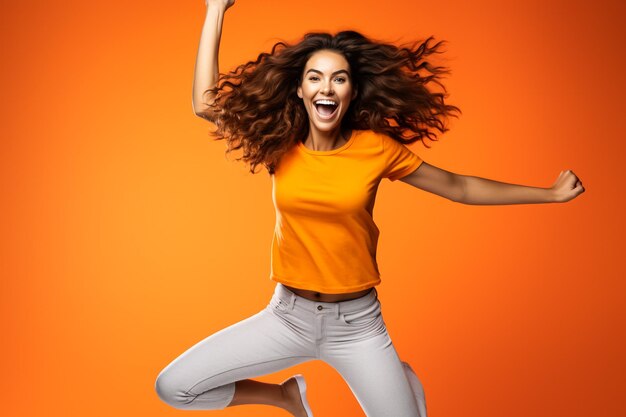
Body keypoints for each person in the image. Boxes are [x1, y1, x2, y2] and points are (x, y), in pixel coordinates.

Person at [154, 1, 586, 416]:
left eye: (339, 79)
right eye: (316, 78)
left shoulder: (375, 150)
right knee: (176, 388)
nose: (327, 87)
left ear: (352, 91)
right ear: (301, 89)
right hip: (288, 317)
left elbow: (458, 187)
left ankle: (399, 382)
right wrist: (214, 9)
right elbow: (204, 104)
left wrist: (548, 193)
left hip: (357, 326)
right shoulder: (279, 141)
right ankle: (286, 398)